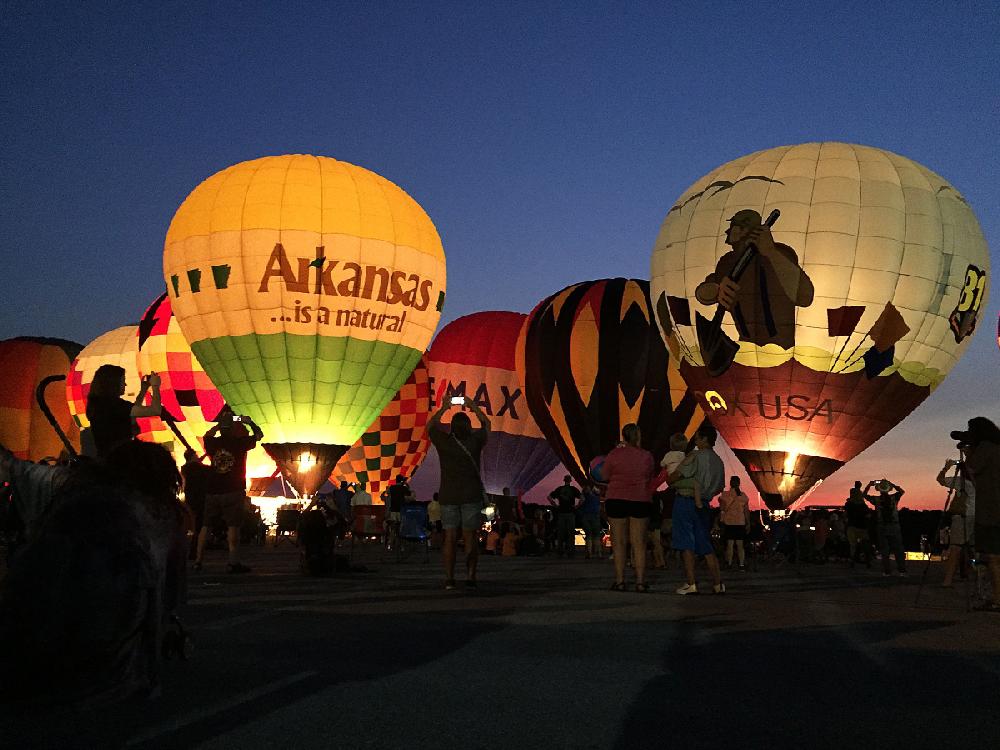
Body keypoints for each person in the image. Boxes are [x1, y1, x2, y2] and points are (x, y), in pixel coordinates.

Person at [695, 209, 814, 349]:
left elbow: (805, 297)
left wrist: (770, 252)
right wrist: (717, 290)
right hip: (745, 349)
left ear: (745, 230)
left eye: (734, 227)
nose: (728, 232)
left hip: (783, 350)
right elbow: (704, 292)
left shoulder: (781, 254)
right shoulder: (727, 262)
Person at [428, 396, 490, 591]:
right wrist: (473, 406)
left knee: (450, 537)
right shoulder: (475, 441)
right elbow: (487, 423)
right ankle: (471, 577)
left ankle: (449, 578)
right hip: (471, 496)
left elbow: (430, 426)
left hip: (448, 495)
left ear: (452, 427)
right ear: (469, 426)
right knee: (470, 537)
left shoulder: (444, 442)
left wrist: (444, 407)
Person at [193, 409, 263, 574]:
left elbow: (207, 435)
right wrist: (248, 421)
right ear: (232, 429)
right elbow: (259, 435)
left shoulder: (212, 443)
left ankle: (198, 560)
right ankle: (233, 561)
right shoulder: (240, 443)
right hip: (233, 489)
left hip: (213, 490)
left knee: (205, 526)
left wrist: (219, 424)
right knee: (233, 526)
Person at [670, 423, 726, 595]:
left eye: (697, 438)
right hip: (705, 505)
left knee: (687, 544)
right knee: (706, 545)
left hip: (686, 502)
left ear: (704, 439)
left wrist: (671, 479)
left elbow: (675, 476)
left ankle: (690, 583)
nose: (694, 441)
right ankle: (718, 584)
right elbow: (720, 487)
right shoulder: (719, 461)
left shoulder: (695, 456)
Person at [953, 417, 1000, 611]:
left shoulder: (986, 448)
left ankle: (997, 600)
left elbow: (971, 470)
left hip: (991, 511)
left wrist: (968, 453)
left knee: (993, 557)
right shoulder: (997, 447)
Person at [602, 423, 655, 592]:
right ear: (638, 436)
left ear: (624, 436)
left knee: (618, 543)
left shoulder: (614, 454)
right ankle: (640, 582)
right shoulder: (647, 456)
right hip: (640, 499)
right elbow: (650, 475)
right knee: (639, 543)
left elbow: (604, 475)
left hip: (616, 499)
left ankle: (620, 581)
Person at [84, 364, 163, 459]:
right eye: (123, 381)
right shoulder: (117, 406)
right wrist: (155, 386)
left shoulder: (97, 405)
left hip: (106, 458)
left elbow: (132, 412)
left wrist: (143, 390)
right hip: (121, 458)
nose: (125, 384)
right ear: (114, 383)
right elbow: (155, 410)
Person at [936, 456, 974, 588]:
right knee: (970, 548)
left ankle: (948, 580)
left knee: (956, 548)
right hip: (976, 516)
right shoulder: (982, 481)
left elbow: (940, 479)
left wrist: (947, 467)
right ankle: (969, 575)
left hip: (963, 517)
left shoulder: (960, 481)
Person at [862, 478, 906, 577]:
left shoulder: (876, 500)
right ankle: (902, 571)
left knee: (884, 550)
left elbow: (864, 495)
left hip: (882, 526)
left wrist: (869, 485)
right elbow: (902, 491)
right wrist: (892, 484)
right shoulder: (894, 498)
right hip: (894, 526)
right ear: (889, 489)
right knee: (898, 549)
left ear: (879, 489)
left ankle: (887, 571)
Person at [181, 449, 210, 560]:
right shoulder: (198, 468)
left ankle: (191, 549)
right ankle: (195, 550)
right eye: (196, 455)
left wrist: (203, 456)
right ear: (192, 457)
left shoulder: (185, 468)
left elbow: (195, 464)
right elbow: (208, 470)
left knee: (191, 524)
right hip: (199, 499)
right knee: (199, 525)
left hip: (190, 499)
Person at [718, 476, 750, 570]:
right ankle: (741, 565)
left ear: (730, 483)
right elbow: (746, 511)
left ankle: (729, 564)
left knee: (730, 545)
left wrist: (721, 520)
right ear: (739, 483)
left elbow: (722, 509)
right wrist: (748, 523)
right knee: (740, 545)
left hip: (729, 523)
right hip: (740, 522)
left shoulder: (725, 495)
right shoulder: (743, 496)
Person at [548, 475, 581, 557]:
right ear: (570, 481)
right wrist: (577, 506)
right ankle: (571, 551)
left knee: (561, 533)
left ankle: (560, 551)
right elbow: (582, 498)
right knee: (571, 533)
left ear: (564, 480)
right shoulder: (573, 489)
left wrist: (555, 505)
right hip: (570, 513)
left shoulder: (559, 489)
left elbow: (549, 497)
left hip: (561, 513)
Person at [844, 481, 871, 568]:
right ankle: (867, 561)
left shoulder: (849, 504)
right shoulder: (863, 505)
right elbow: (868, 516)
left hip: (852, 525)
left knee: (853, 545)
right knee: (865, 544)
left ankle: (852, 561)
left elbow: (846, 514)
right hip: (862, 526)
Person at [579, 481, 603, 559]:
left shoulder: (584, 495)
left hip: (587, 515)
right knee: (596, 535)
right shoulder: (596, 495)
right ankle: (598, 552)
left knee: (589, 535)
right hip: (594, 515)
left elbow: (581, 503)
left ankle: (589, 552)